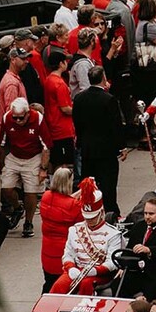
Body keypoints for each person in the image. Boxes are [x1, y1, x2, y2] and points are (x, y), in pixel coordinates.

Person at [49, 177, 124, 295]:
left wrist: (94, 271)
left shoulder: (113, 234)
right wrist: (70, 267)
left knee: (86, 284)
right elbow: (67, 254)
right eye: (87, 217)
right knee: (59, 285)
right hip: (76, 270)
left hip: (98, 274)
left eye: (93, 217)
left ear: (101, 212)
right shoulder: (75, 230)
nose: (89, 221)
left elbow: (112, 262)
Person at [73, 66, 126, 217]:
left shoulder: (79, 98)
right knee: (108, 183)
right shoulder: (109, 99)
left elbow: (77, 123)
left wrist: (81, 142)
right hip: (106, 150)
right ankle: (111, 212)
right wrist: (122, 147)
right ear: (103, 78)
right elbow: (116, 125)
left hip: (87, 148)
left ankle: (88, 209)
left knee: (88, 182)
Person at [0, 97, 49, 237]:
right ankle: (17, 208)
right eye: (15, 118)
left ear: (27, 113)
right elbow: (2, 144)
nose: (18, 121)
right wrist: (1, 164)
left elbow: (46, 146)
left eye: (21, 118)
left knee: (30, 191)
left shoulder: (37, 118)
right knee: (6, 188)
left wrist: (43, 168)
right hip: (14, 155)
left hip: (33, 156)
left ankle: (28, 221)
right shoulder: (7, 118)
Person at [39, 167, 84, 292]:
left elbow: (62, 202)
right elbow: (82, 224)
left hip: (47, 252)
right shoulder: (74, 205)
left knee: (48, 283)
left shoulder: (46, 197)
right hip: (64, 253)